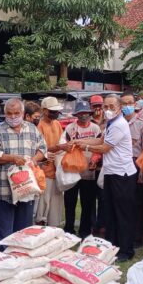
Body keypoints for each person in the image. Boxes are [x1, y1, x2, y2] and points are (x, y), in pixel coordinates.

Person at [76, 94, 137, 262]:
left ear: (119, 108)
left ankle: (126, 250)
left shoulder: (119, 125)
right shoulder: (110, 123)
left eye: (112, 107)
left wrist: (84, 146)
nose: (108, 110)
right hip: (111, 173)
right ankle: (113, 245)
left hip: (122, 175)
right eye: (105, 107)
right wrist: (77, 142)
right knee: (111, 212)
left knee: (123, 213)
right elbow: (100, 139)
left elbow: (104, 147)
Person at [0, 98, 46, 243]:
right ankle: (4, 260)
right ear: (4, 113)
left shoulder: (32, 129)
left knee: (24, 233)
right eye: (9, 113)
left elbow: (42, 149)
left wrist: (34, 159)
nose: (13, 117)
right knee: (5, 236)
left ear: (22, 112)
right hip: (3, 190)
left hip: (26, 189)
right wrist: (12, 158)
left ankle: (21, 262)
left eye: (16, 113)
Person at [60, 101, 101, 237]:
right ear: (76, 114)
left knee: (87, 203)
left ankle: (85, 231)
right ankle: (69, 229)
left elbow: (100, 147)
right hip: (72, 171)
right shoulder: (69, 128)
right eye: (80, 113)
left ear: (90, 114)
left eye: (86, 113)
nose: (83, 116)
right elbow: (64, 145)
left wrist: (95, 159)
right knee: (70, 202)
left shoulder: (96, 129)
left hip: (89, 171)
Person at [121, 92, 143, 244]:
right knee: (123, 200)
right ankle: (124, 231)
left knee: (137, 201)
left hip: (136, 163)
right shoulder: (116, 122)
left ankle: (138, 235)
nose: (127, 106)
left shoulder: (142, 124)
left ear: (135, 104)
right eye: (124, 103)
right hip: (120, 164)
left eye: (129, 103)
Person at [35, 97, 65, 227]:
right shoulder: (39, 126)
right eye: (53, 111)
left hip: (57, 171)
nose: (56, 113)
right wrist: (61, 147)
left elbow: (60, 143)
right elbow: (40, 150)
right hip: (43, 172)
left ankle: (53, 232)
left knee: (55, 206)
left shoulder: (57, 124)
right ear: (44, 110)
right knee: (42, 206)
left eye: (57, 111)